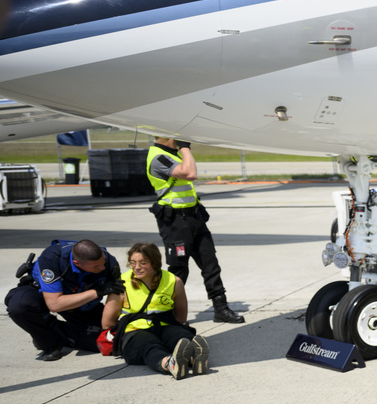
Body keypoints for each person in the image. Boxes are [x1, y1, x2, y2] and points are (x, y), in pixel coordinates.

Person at [145, 137, 244, 323]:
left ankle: (220, 307)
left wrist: (182, 149)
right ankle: (168, 312)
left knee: (210, 264)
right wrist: (185, 148)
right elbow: (190, 174)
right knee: (179, 269)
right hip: (175, 222)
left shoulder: (172, 154)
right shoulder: (159, 157)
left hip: (193, 217)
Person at [100, 242, 209, 380]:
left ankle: (194, 359)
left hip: (166, 326)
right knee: (149, 346)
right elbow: (107, 323)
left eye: (143, 263)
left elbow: (180, 317)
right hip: (136, 331)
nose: (137, 267)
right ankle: (170, 364)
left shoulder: (173, 281)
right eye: (133, 263)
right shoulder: (122, 284)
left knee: (181, 337)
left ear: (155, 263)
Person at [4, 239, 123, 360]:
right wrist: (98, 292)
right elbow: (54, 304)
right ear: (77, 263)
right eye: (96, 266)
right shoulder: (52, 258)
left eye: (102, 262)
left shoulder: (109, 261)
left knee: (103, 341)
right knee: (19, 306)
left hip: (81, 302)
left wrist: (108, 327)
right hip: (45, 293)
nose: (102, 267)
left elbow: (116, 294)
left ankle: (52, 329)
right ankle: (48, 342)